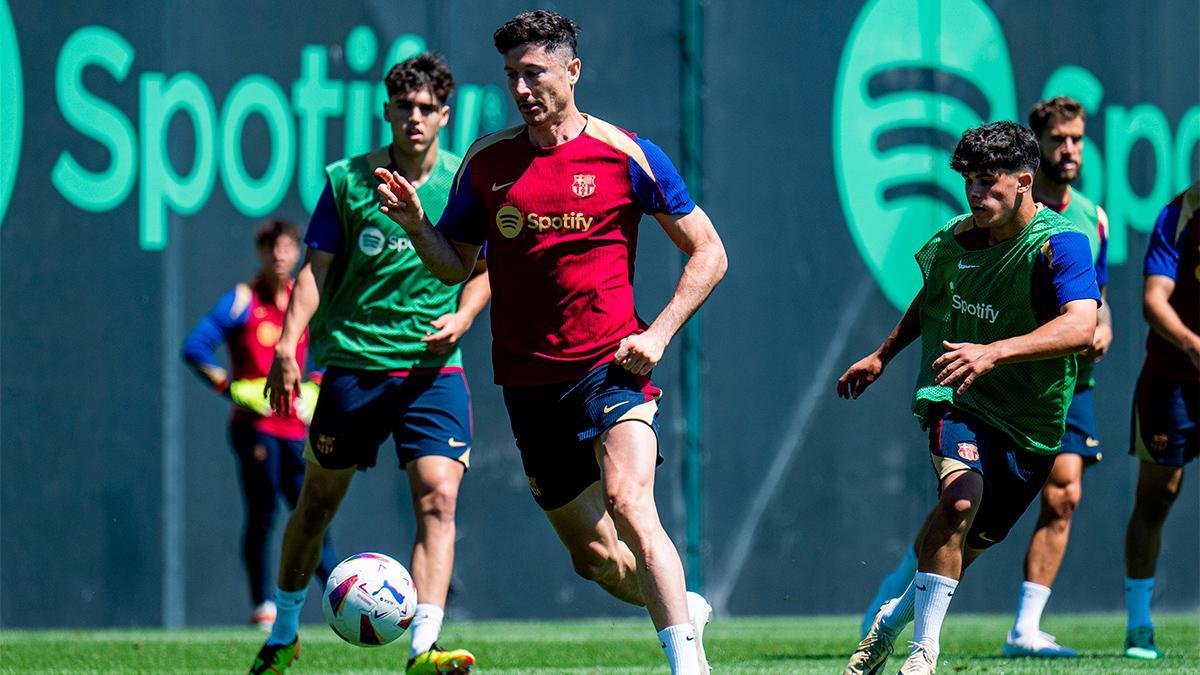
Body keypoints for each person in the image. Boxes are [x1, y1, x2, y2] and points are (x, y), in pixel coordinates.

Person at [373, 11, 727, 675]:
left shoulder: (628, 154)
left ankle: (687, 664)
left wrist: (657, 333)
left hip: (613, 368)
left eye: (534, 71)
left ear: (573, 70)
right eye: (512, 75)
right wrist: (418, 224)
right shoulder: (487, 162)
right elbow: (454, 263)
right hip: (530, 385)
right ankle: (686, 605)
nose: (522, 86)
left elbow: (709, 251)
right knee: (594, 560)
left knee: (629, 502)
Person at [249, 53, 489, 675]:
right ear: (386, 111)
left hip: (434, 369)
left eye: (426, 108)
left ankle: (425, 648)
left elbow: (486, 271)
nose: (414, 117)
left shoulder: (465, 181)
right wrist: (286, 345)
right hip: (355, 363)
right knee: (317, 504)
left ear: (444, 114)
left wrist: (462, 319)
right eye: (403, 107)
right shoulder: (350, 180)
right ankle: (285, 632)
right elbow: (316, 271)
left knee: (438, 499)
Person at [839, 121, 1100, 674]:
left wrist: (994, 352)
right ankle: (922, 657)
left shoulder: (1062, 244)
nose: (976, 196)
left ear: (1025, 181)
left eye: (988, 183)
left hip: (1032, 421)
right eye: (969, 184)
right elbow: (932, 299)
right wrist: (884, 355)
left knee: (966, 548)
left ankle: (890, 621)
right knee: (959, 500)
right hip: (956, 396)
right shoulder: (958, 239)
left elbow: (1081, 328)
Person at [182, 218, 337, 630]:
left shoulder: (304, 299)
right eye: (273, 249)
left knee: (313, 510)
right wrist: (231, 388)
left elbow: (325, 348)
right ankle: (263, 604)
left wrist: (315, 388)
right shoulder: (243, 299)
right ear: (262, 253)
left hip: (297, 430)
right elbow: (195, 347)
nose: (281, 256)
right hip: (256, 429)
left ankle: (340, 595)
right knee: (264, 513)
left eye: (288, 248)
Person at [1121, 181, 1199, 660]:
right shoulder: (1179, 216)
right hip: (1172, 383)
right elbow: (1154, 300)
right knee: (1157, 496)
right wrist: (1193, 345)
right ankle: (1138, 624)